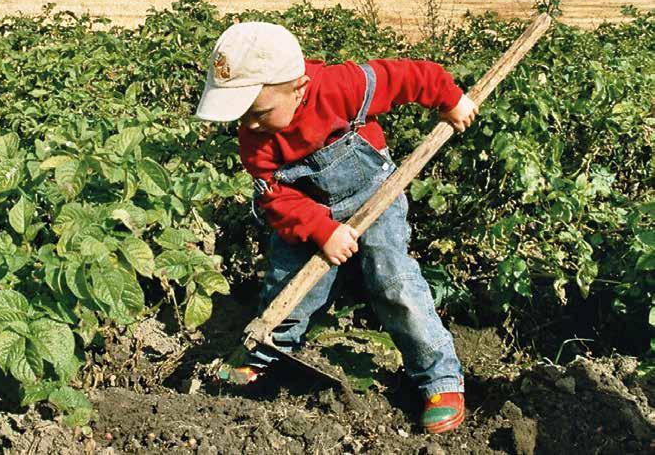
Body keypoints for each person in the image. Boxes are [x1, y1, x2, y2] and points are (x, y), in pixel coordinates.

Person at [195, 22, 477, 434]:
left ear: (298, 87)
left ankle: (440, 380)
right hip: (305, 212)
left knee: (393, 279)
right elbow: (274, 197)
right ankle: (262, 358)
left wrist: (450, 100)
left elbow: (414, 76)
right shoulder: (255, 138)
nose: (249, 126)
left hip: (373, 195)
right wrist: (321, 230)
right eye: (241, 116)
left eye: (257, 112)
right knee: (289, 285)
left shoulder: (340, 86)